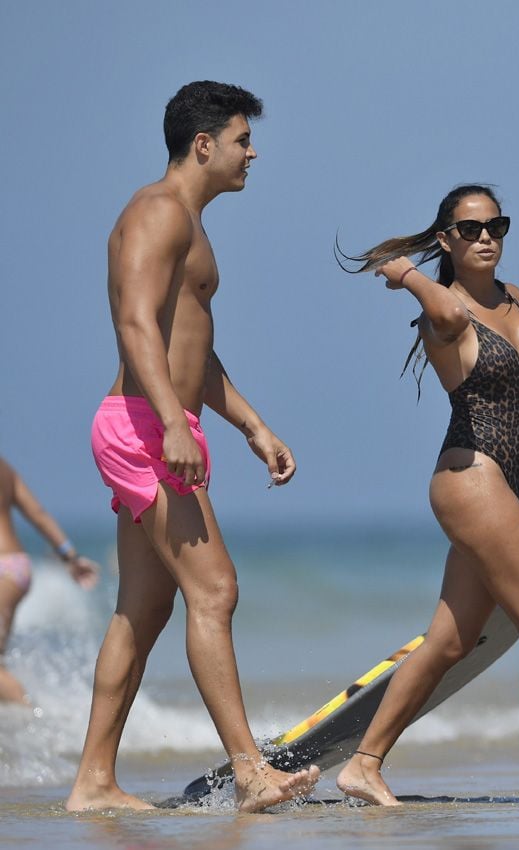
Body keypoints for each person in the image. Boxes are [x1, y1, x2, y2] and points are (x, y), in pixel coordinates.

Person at [335, 184, 519, 806]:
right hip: (470, 479)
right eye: (469, 229)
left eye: (495, 225)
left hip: (504, 486)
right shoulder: (440, 312)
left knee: (449, 640)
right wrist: (407, 277)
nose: (486, 238)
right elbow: (445, 316)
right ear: (445, 238)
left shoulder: (513, 298)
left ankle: (363, 765)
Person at [66, 81, 319, 813]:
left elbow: (194, 352)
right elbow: (135, 324)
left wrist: (251, 426)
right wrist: (173, 423)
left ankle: (93, 783)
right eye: (243, 140)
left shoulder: (190, 225)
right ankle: (249, 772)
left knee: (141, 612)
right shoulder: (156, 213)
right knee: (216, 588)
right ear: (203, 144)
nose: (253, 152)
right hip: (146, 423)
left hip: (161, 419)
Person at [0, 455, 99, 704]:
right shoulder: (5, 468)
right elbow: (38, 514)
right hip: (16, 568)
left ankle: (33, 720)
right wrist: (70, 556)